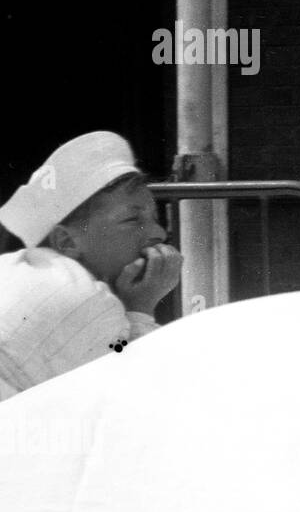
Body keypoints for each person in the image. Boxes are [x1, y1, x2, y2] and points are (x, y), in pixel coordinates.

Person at [0, 131, 183, 399]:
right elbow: (134, 398)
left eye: (155, 217)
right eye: (133, 220)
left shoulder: (24, 268)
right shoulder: (84, 297)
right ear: (67, 241)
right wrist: (141, 308)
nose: (158, 232)